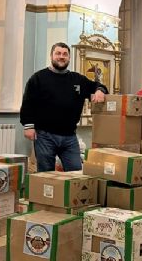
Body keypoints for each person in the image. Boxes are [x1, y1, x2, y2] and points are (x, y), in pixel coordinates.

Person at [20, 42, 107, 172]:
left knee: (76, 172)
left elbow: (97, 85)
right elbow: (28, 102)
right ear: (51, 56)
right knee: (46, 174)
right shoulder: (38, 78)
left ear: (69, 58)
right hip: (45, 136)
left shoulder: (77, 79)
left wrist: (100, 90)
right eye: (58, 53)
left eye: (65, 54)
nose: (61, 57)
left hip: (69, 136)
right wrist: (28, 126)